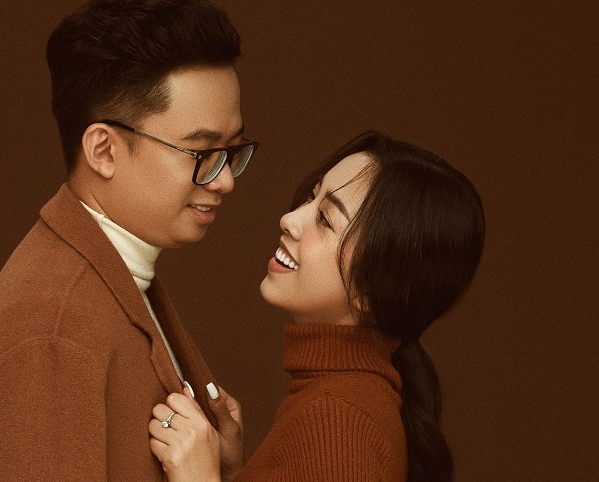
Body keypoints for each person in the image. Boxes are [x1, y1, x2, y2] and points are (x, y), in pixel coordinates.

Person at [0, 0, 256, 480]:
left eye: (232, 151)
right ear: (103, 150)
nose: (226, 180)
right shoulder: (48, 331)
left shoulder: (114, 277)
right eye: (201, 152)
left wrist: (223, 466)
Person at [148, 130, 485, 481]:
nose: (290, 219)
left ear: (375, 289)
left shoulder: (338, 418)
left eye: (325, 218)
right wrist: (234, 471)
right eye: (311, 196)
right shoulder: (344, 400)